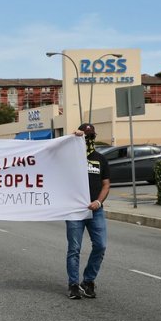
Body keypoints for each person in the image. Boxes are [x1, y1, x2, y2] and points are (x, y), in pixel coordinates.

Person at [66, 123, 110, 300]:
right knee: (74, 248)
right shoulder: (70, 158)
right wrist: (72, 138)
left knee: (100, 245)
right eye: (85, 136)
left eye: (91, 136)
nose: (89, 139)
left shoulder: (100, 159)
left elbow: (106, 184)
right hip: (75, 211)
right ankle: (73, 284)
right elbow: (53, 153)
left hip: (95, 210)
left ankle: (88, 281)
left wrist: (98, 201)